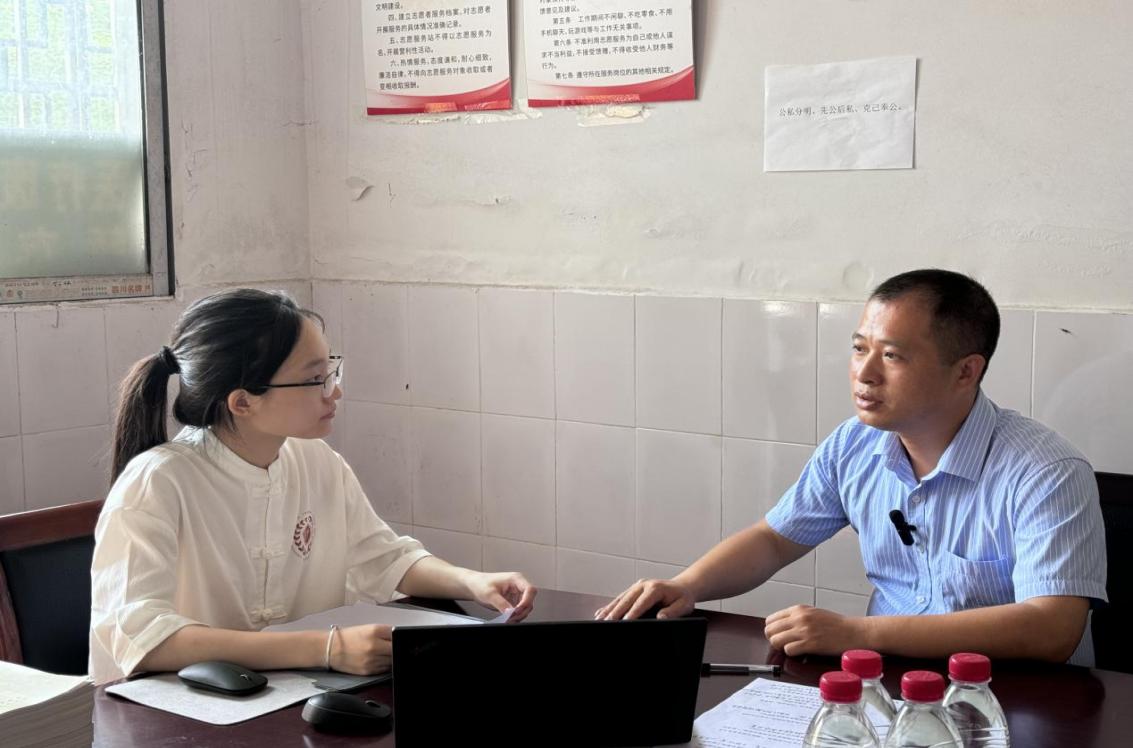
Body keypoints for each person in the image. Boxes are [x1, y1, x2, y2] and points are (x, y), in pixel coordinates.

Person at [596, 269, 1106, 664]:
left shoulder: (1046, 471)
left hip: (1015, 696)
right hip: (885, 682)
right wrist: (688, 585)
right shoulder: (854, 444)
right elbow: (774, 540)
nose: (864, 373)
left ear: (966, 371)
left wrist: (858, 634)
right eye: (860, 349)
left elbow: (1052, 628)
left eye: (893, 356)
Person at [89, 289, 536, 684]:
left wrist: (473, 582)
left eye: (332, 371)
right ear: (242, 402)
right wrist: (326, 648)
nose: (334, 392)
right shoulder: (158, 482)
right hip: (175, 717)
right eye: (315, 378)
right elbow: (146, 638)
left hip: (290, 698)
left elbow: (383, 557)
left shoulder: (315, 461)